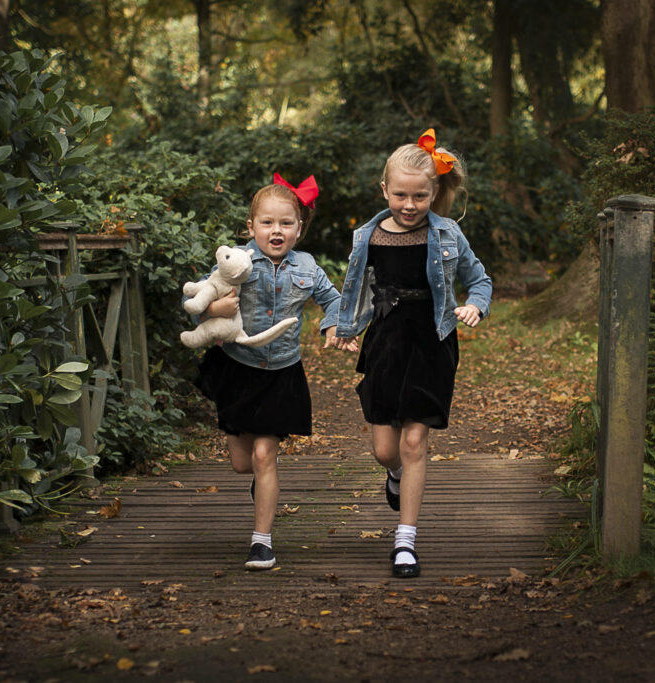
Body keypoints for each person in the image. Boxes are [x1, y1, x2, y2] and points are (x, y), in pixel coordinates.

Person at [328, 130, 492, 578]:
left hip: (432, 342)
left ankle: (406, 542)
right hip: (385, 341)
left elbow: (480, 280)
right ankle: (395, 475)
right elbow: (358, 289)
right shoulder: (368, 236)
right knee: (386, 449)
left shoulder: (448, 234)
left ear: (434, 192)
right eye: (399, 194)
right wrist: (344, 329)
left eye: (420, 195)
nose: (409, 204)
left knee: (415, 439)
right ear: (385, 190)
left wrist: (475, 304)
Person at [192, 173, 343, 571]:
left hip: (281, 371)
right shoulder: (235, 263)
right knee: (244, 463)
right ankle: (262, 483)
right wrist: (212, 310)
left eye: (286, 223)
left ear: (299, 228)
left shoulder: (308, 268)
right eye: (267, 223)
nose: (276, 231)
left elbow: (335, 301)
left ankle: (262, 542)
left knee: (264, 454)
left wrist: (332, 324)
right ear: (251, 226)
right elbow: (199, 297)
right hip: (237, 368)